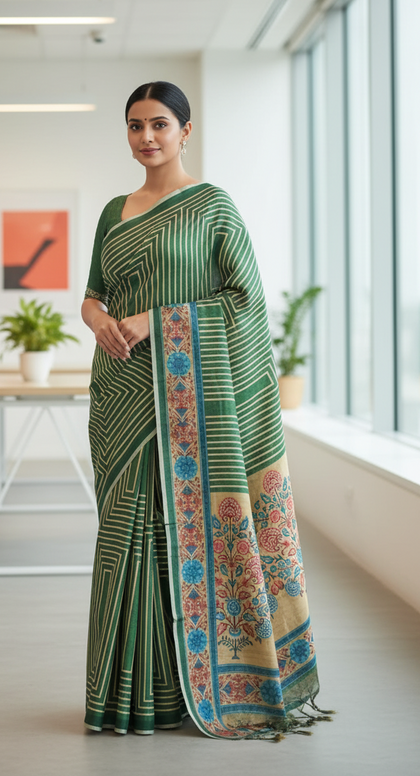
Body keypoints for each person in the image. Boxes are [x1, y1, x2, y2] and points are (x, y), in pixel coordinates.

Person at [81, 81, 328, 740]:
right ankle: (130, 698)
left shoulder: (213, 207)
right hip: (121, 395)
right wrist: (101, 319)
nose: (145, 137)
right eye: (134, 125)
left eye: (159, 124)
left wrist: (151, 321)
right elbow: (90, 298)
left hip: (189, 401)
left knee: (185, 532)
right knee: (126, 541)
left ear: (184, 130)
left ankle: (216, 684)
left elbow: (244, 301)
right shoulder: (114, 211)